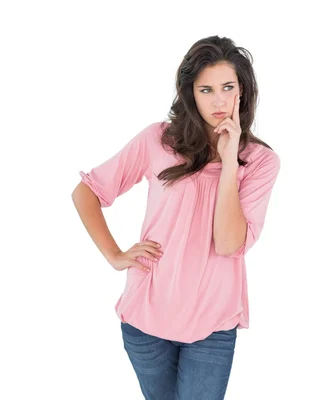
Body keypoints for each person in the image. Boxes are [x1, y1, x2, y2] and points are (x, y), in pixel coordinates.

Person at [71, 36, 280, 399]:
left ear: (242, 92)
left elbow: (230, 243)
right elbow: (86, 192)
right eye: (206, 89)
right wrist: (115, 255)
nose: (218, 100)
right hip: (145, 320)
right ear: (190, 93)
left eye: (228, 87)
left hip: (212, 326)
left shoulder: (261, 162)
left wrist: (229, 160)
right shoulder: (158, 140)